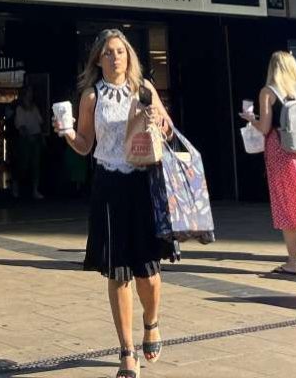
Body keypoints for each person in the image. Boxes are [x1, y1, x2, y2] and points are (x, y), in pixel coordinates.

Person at [54, 29, 176, 378]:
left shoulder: (144, 89)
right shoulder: (91, 97)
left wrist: (158, 123)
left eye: (120, 52)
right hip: (108, 185)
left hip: (142, 183)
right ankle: (126, 351)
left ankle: (151, 322)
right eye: (107, 53)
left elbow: (168, 131)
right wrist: (66, 133)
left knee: (148, 272)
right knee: (118, 270)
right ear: (97, 59)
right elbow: (85, 144)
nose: (114, 58)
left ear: (129, 56)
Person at [241, 51, 296, 276]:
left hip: (280, 152)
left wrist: (251, 119)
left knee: (285, 207)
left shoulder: (268, 92)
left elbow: (264, 128)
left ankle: (293, 261)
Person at [12, 86, 46, 200]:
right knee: (23, 164)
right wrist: (27, 135)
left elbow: (39, 123)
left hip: (35, 137)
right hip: (25, 139)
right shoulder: (20, 109)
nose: (31, 95)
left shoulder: (34, 108)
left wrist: (41, 137)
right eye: (29, 92)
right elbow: (21, 126)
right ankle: (16, 186)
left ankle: (35, 190)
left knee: (36, 165)